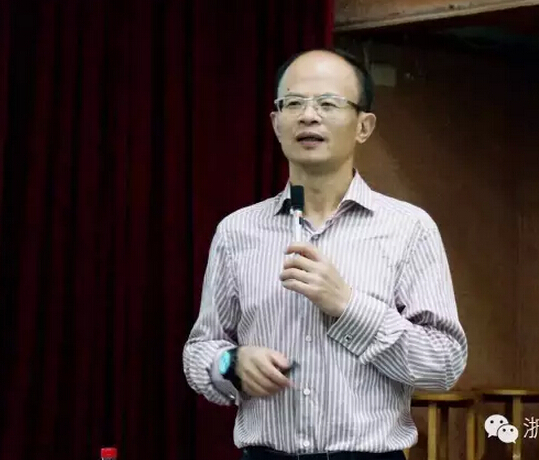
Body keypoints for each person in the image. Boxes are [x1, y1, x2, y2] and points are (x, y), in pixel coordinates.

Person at [182, 48, 468, 460]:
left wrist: (349, 307)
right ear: (276, 123)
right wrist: (232, 365)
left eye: (328, 103)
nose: (308, 116)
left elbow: (444, 365)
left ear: (364, 126)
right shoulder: (237, 231)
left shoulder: (409, 229)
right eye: (293, 103)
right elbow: (200, 350)